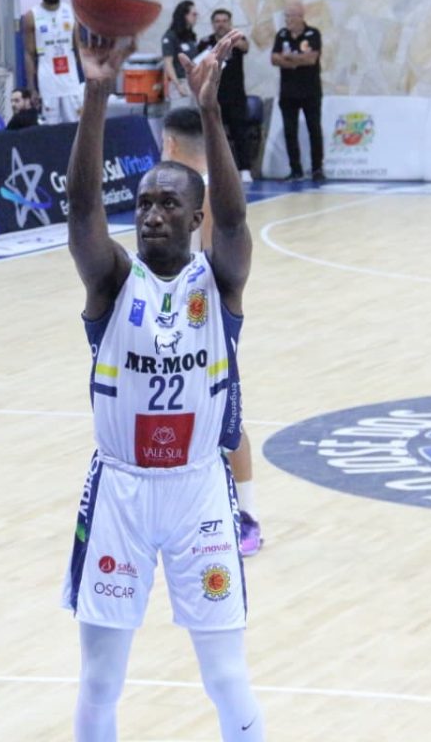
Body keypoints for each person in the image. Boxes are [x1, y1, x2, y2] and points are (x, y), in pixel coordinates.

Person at [62, 29, 264, 740]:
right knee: (100, 679)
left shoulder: (220, 279)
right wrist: (97, 93)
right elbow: (82, 211)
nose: (151, 213)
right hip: (120, 490)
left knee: (226, 676)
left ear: (195, 217)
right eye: (144, 202)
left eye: (169, 204)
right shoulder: (113, 281)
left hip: (198, 490)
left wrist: (210, 111)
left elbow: (236, 219)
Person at [161, 107, 263, 555]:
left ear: (170, 144)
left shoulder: (203, 194)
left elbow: (214, 270)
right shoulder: (179, 189)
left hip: (204, 323)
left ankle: (247, 515)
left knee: (227, 419)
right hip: (174, 321)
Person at [271, 2, 323, 182]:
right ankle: (295, 169)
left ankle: (317, 168)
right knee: (290, 131)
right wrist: (296, 60)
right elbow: (274, 59)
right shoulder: (282, 35)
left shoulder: (312, 34)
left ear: (300, 16)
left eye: (290, 16)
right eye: (285, 16)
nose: (287, 20)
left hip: (310, 91)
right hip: (288, 92)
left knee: (314, 129)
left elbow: (311, 59)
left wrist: (290, 58)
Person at [199, 9, 252, 183]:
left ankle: (245, 169)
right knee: (213, 135)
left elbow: (245, 47)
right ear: (213, 24)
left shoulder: (237, 39)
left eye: (224, 21)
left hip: (236, 96)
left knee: (240, 133)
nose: (221, 24)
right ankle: (213, 170)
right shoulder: (205, 42)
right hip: (214, 96)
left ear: (229, 23)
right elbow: (199, 63)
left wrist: (228, 41)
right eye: (217, 21)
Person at [22, 0, 82, 125]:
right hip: (47, 80)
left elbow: (79, 47)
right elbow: (29, 54)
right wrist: (31, 87)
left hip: (70, 80)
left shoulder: (70, 11)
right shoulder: (31, 16)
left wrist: (89, 75)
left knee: (74, 124)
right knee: (50, 126)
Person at [160, 0, 198, 107]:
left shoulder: (190, 36)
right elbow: (168, 64)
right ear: (184, 16)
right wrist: (177, 85)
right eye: (193, 14)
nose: (196, 17)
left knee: (194, 114)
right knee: (181, 113)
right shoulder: (171, 36)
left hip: (194, 81)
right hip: (180, 82)